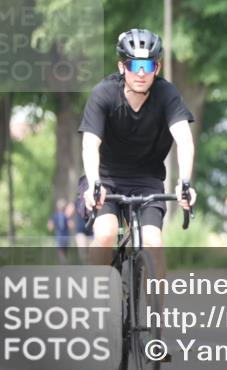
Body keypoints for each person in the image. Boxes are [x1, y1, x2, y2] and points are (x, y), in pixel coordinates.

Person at [78, 28, 196, 270]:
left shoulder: (167, 95)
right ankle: (95, 289)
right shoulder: (103, 94)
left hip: (147, 180)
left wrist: (184, 183)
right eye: (134, 65)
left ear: (157, 68)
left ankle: (154, 297)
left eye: (148, 65)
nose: (141, 73)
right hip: (105, 178)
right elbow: (90, 144)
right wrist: (94, 184)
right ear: (122, 67)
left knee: (154, 243)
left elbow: (184, 140)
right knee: (106, 233)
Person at [47, 198, 73, 263]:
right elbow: (50, 227)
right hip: (59, 236)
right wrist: (51, 224)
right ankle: (63, 261)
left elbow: (71, 225)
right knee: (61, 250)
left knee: (65, 251)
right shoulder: (55, 216)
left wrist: (69, 217)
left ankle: (64, 261)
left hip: (66, 236)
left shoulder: (66, 216)